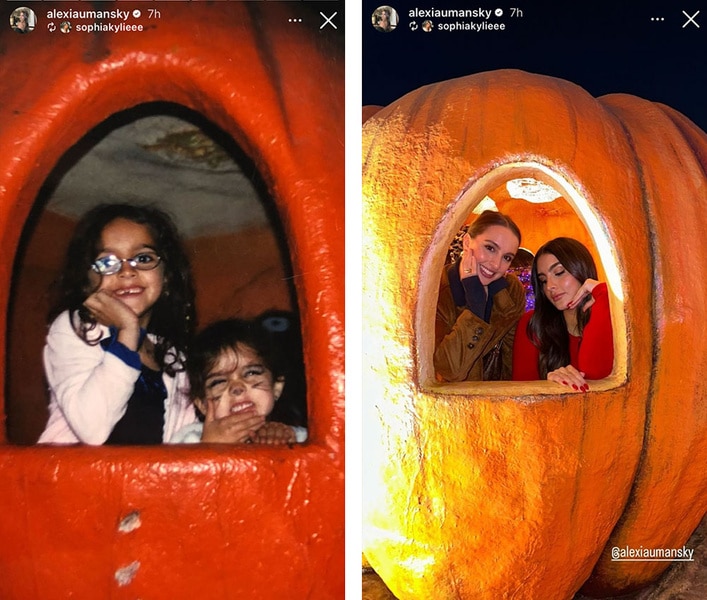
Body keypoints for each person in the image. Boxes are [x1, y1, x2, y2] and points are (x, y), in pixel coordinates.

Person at [38, 204, 199, 445]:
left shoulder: (172, 357)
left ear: (166, 277)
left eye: (143, 258)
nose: (126, 271)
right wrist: (127, 332)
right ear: (86, 280)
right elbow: (93, 429)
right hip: (76, 480)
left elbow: (182, 441)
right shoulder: (76, 329)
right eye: (106, 263)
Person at [171, 318, 307, 444]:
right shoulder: (190, 438)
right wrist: (210, 445)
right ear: (202, 404)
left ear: (276, 386)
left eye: (251, 373)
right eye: (218, 382)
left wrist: (285, 446)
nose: (236, 387)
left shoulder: (297, 436)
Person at [434, 210, 526, 381]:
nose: (496, 264)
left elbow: (510, 359)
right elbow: (450, 371)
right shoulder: (437, 292)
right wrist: (476, 306)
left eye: (507, 257)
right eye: (490, 248)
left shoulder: (511, 291)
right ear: (467, 242)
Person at [512, 237, 614, 389]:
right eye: (543, 280)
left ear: (581, 269)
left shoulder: (609, 317)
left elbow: (595, 371)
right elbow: (521, 393)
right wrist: (549, 386)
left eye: (559, 273)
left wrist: (603, 293)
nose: (550, 287)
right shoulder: (533, 324)